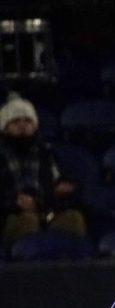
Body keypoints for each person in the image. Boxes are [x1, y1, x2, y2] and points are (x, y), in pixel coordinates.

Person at [0, 93, 87, 246]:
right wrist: (13, 200)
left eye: (27, 121)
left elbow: (58, 182)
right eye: (15, 121)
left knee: (73, 219)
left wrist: (66, 188)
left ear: (35, 125)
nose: (22, 125)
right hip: (10, 215)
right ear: (5, 127)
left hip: (46, 209)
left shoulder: (45, 154)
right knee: (28, 221)